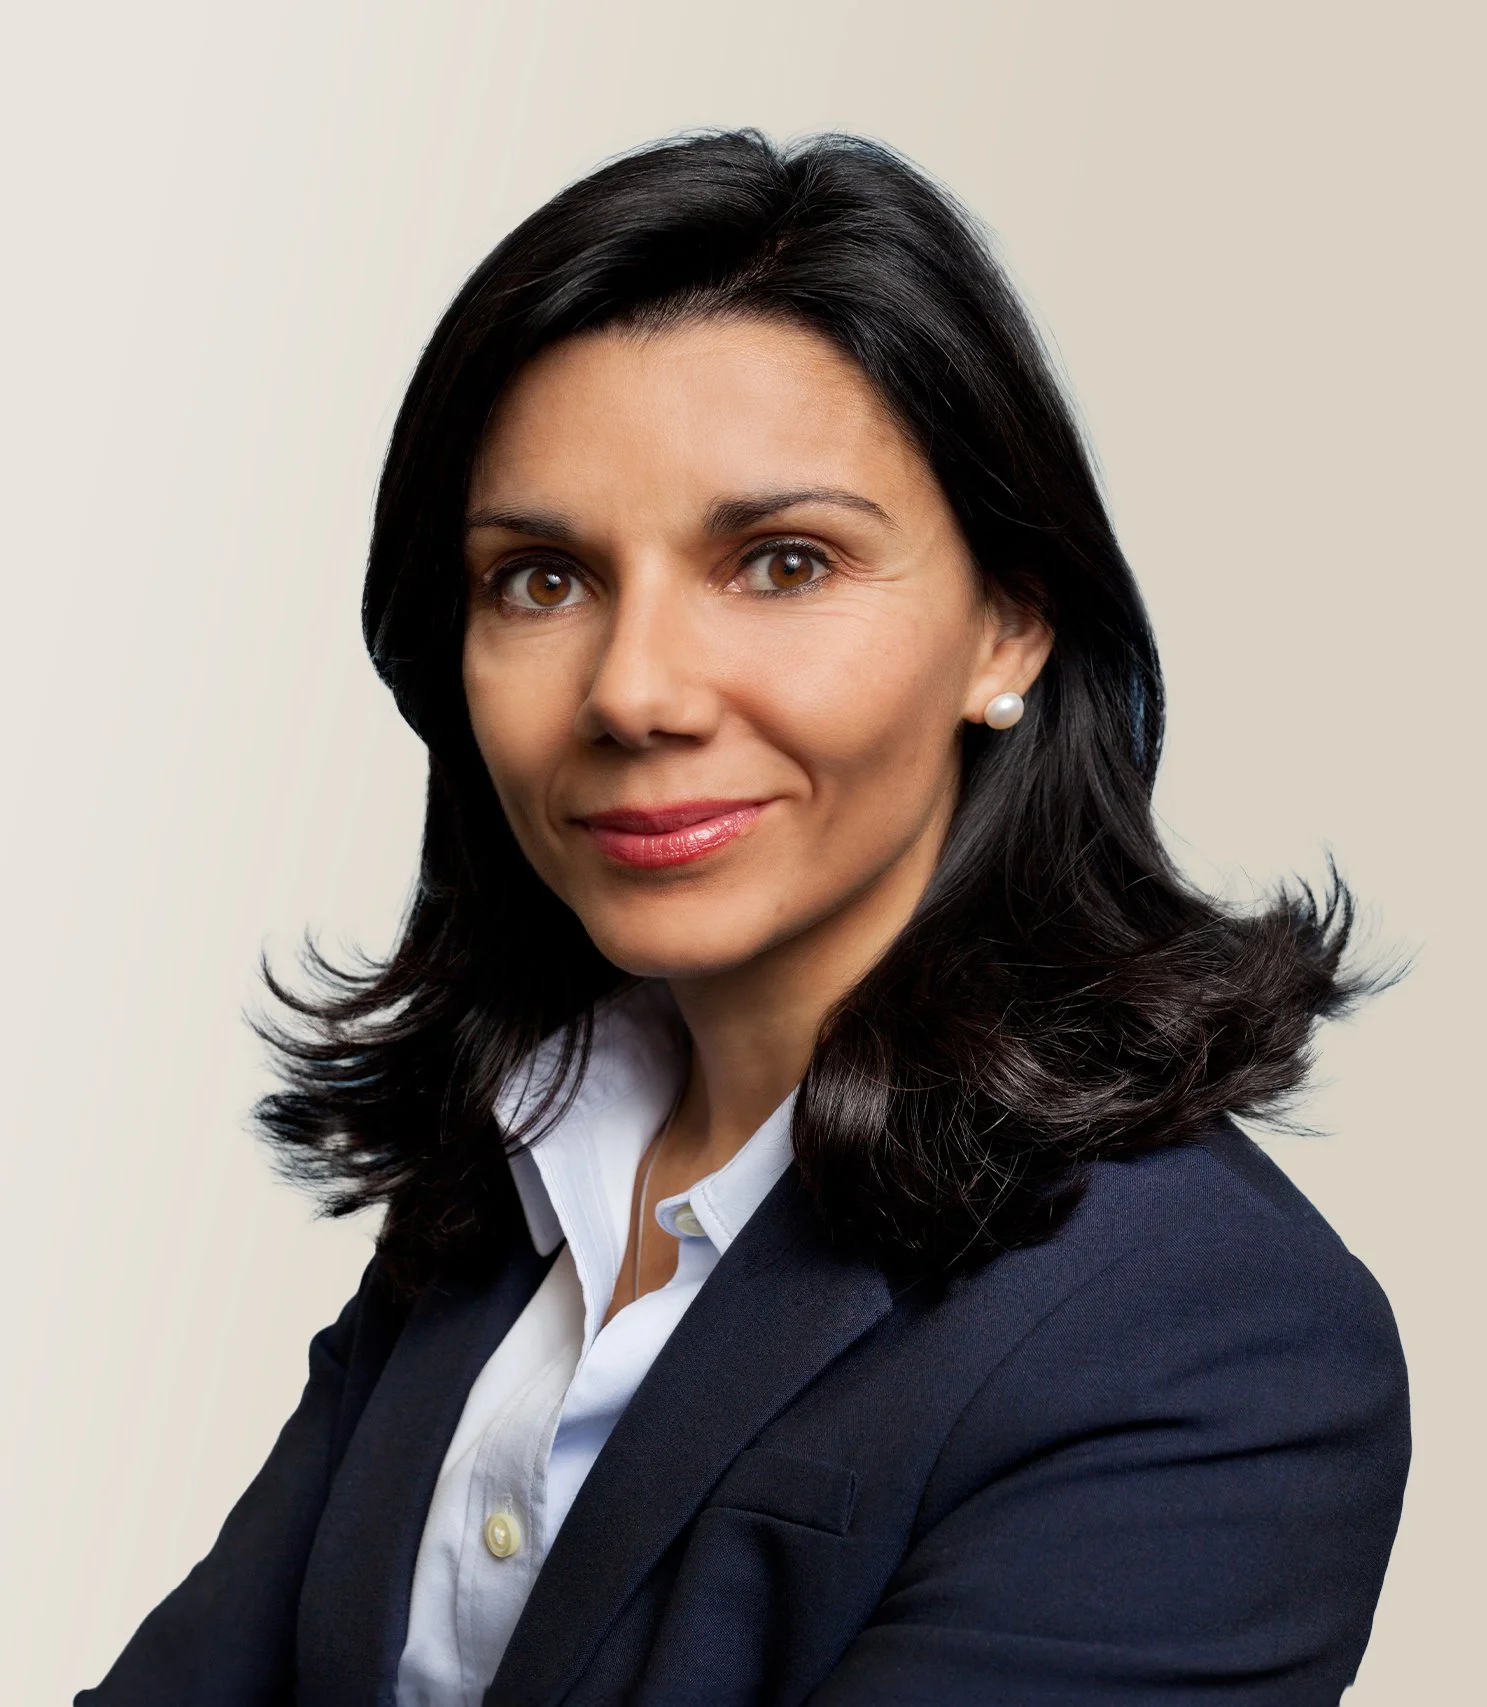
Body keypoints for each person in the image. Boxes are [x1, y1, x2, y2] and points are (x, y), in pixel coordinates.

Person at [78, 130, 1409, 1707]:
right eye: (541, 580)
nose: (635, 690)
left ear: (1008, 625)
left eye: (781, 561)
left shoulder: (1210, 1338)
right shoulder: (511, 1182)